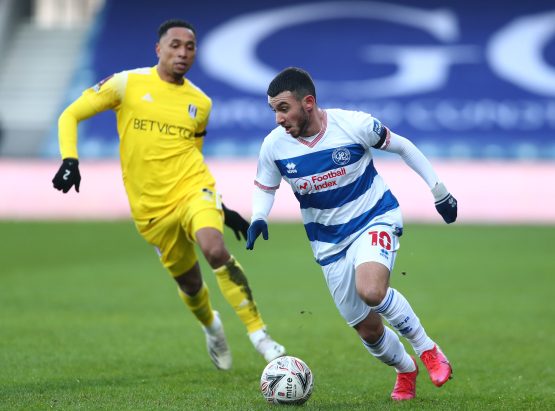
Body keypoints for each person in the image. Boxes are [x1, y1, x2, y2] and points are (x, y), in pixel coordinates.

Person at [51, 19, 285, 371]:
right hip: (151, 209)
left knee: (215, 249)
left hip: (193, 189)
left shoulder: (200, 102)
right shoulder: (126, 84)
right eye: (175, 45)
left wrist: (220, 208)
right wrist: (70, 159)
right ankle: (212, 327)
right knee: (190, 285)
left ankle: (260, 336)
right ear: (158, 49)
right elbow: (70, 115)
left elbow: (192, 155)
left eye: (190, 47)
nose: (183, 52)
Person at [246, 67, 457, 400]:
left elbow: (403, 147)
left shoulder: (353, 125)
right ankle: (406, 368)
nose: (278, 118)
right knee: (369, 330)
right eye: (273, 110)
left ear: (308, 103)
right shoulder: (274, 146)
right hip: (328, 242)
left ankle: (427, 349)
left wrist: (439, 191)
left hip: (374, 217)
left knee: (371, 290)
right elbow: (265, 187)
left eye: (283, 108)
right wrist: (259, 215)